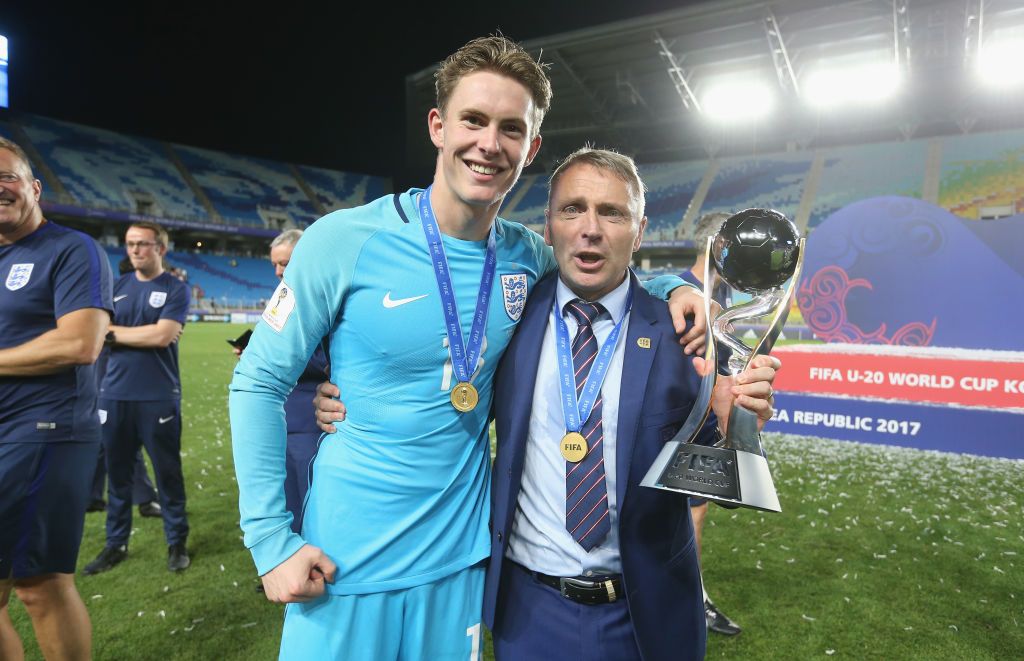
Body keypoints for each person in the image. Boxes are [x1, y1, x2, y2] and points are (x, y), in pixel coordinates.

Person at [231, 35, 708, 659]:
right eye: (473, 120)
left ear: (531, 147)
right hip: (344, 558)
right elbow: (258, 382)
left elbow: (609, 271)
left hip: (462, 564)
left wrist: (678, 288)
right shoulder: (343, 240)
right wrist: (270, 541)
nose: (489, 143)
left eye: (511, 128)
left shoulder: (529, 257)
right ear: (438, 126)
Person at [314, 149, 780, 659]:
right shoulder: (508, 321)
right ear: (548, 226)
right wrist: (353, 402)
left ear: (640, 230)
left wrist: (733, 426)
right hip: (529, 611)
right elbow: (439, 395)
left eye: (612, 212)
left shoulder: (682, 335)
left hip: (644, 615)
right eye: (572, 209)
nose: (591, 228)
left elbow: (720, 488)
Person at [0, 136, 113, 660]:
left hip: (46, 430)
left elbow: (80, 342)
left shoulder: (71, 249)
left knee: (38, 585)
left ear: (34, 187)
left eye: (7, 178)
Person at [83, 221, 192, 575]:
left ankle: (176, 542)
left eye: (143, 244)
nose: (134, 250)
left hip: (158, 396)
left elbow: (162, 336)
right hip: (113, 395)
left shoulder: (176, 289)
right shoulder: (115, 287)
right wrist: (119, 334)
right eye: (130, 244)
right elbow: (95, 333)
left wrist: (113, 333)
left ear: (160, 248)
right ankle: (116, 544)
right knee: (119, 476)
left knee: (167, 473)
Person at [232, 229, 328, 534]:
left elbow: (331, 362)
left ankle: (317, 571)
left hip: (311, 419)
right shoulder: (283, 297)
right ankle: (287, 565)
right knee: (284, 500)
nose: (278, 271)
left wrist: (278, 360)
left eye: (284, 263)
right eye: (275, 264)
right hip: (280, 417)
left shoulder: (327, 296)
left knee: (314, 503)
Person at [682, 211, 743, 636]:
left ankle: (691, 595)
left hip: (705, 427)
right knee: (689, 519)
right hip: (679, 428)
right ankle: (690, 599)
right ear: (717, 249)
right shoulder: (680, 293)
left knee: (697, 515)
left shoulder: (724, 299)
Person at [89, 254, 163, 518]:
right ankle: (143, 498)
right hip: (114, 377)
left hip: (101, 374)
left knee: (104, 437)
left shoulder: (111, 293)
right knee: (124, 439)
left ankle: (91, 495)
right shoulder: (120, 296)